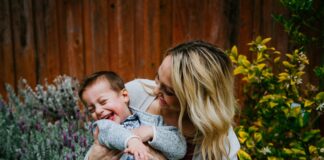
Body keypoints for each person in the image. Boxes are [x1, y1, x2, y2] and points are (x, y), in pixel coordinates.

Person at [89, 40, 240, 160]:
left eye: (168, 91)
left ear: (196, 102)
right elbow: (99, 140)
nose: (155, 90)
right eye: (157, 78)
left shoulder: (221, 144)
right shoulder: (136, 94)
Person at [79, 71, 187, 160]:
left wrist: (151, 132)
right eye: (91, 109)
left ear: (124, 96)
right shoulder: (103, 129)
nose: (98, 111)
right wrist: (131, 140)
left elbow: (179, 149)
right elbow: (112, 132)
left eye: (103, 102)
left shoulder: (152, 122)